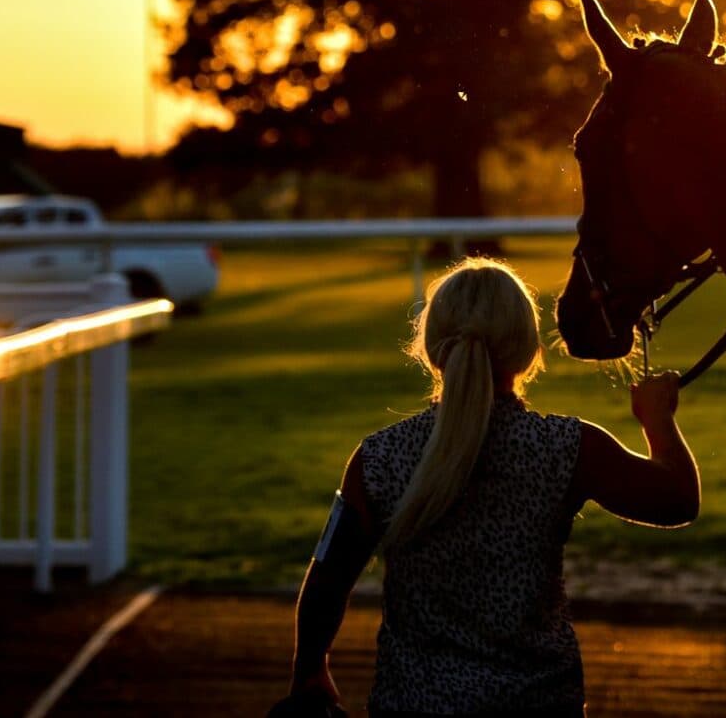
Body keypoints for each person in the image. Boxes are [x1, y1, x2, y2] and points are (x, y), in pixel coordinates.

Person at [270, 259, 699, 718]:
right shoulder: (568, 448)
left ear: (433, 346)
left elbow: (327, 580)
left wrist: (309, 670)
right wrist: (658, 421)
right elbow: (677, 500)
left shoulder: (377, 459)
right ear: (528, 349)